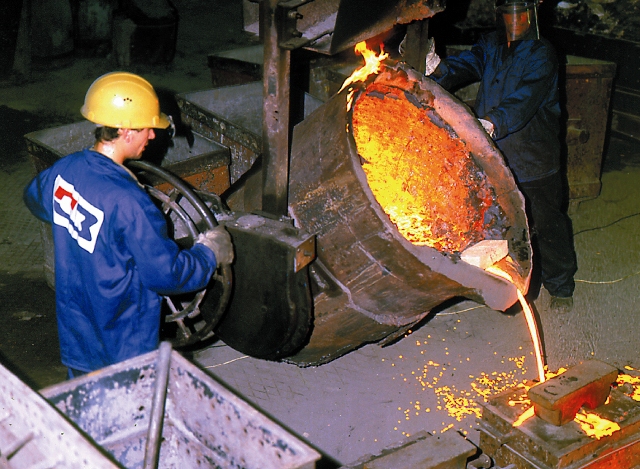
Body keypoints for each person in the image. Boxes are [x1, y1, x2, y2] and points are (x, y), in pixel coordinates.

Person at [23, 71, 234, 377]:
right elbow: (167, 275)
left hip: (78, 333)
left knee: (83, 400)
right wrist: (209, 253)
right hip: (123, 344)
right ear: (125, 130)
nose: (152, 136)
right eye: (147, 128)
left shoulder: (66, 168)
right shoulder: (132, 203)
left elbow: (34, 199)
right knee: (128, 406)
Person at [422, 0, 577, 312]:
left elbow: (524, 99)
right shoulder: (491, 44)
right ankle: (511, 284)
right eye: (510, 13)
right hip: (495, 155)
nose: (515, 21)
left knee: (546, 224)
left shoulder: (542, 53)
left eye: (522, 14)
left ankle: (561, 286)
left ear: (533, 15)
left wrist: (492, 122)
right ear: (501, 15)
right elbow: (467, 64)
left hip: (533, 158)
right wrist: (437, 69)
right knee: (499, 223)